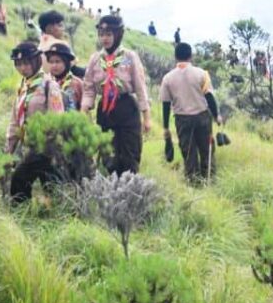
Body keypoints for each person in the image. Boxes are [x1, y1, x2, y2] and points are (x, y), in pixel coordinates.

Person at [82, 15, 151, 175]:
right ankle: (111, 190)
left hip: (126, 107)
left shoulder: (129, 57)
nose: (104, 38)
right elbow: (89, 88)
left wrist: (146, 117)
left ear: (118, 35)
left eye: (108, 34)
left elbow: (140, 87)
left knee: (130, 152)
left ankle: (130, 190)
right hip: (105, 111)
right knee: (108, 154)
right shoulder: (95, 59)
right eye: (101, 34)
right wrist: (84, 110)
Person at [6, 42, 64, 202]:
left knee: (20, 178)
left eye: (26, 63)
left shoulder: (48, 85)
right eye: (18, 64)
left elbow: (57, 116)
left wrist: (51, 144)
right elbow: (15, 120)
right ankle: (54, 214)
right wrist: (9, 148)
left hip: (45, 145)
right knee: (51, 184)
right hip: (29, 144)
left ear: (36, 61)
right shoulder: (23, 86)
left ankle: (20, 211)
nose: (22, 68)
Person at [159, 43, 222, 182]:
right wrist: (217, 115)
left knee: (188, 153)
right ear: (190, 56)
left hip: (182, 120)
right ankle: (209, 180)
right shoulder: (201, 74)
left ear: (175, 57)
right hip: (202, 117)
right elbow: (209, 97)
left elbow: (165, 104)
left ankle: (193, 182)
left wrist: (165, 127)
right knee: (207, 151)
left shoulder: (168, 78)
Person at [44, 42, 83, 112]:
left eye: (58, 61)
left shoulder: (77, 84)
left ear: (66, 62)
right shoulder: (45, 84)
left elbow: (85, 110)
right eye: (51, 62)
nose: (54, 65)